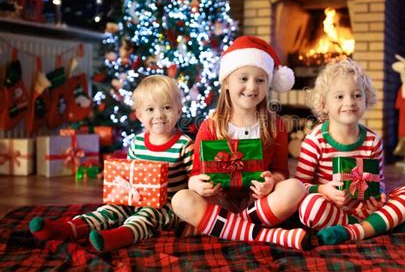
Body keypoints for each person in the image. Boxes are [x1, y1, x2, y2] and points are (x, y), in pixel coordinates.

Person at [171, 36, 311, 251]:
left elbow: (281, 171)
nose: (251, 87)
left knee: (296, 188)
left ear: (268, 84)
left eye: (260, 80)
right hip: (219, 201)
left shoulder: (276, 126)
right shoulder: (210, 126)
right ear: (226, 82)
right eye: (243, 78)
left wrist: (271, 181)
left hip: (258, 203)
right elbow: (196, 174)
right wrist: (197, 185)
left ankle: (222, 227)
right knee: (181, 199)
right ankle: (266, 234)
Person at [29, 75, 194, 252]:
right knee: (110, 209)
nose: (159, 115)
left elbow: (194, 183)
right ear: (139, 115)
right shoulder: (137, 143)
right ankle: (70, 228)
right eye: (150, 109)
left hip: (168, 207)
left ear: (179, 111)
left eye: (167, 107)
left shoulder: (184, 145)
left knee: (147, 215)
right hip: (136, 198)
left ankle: (120, 236)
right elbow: (131, 174)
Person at [296, 59, 405, 245]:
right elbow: (300, 187)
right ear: (324, 104)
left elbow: (377, 184)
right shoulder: (314, 142)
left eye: (357, 95)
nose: (350, 102)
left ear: (367, 99)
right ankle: (380, 226)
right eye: (339, 97)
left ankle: (354, 231)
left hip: (365, 209)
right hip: (331, 209)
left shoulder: (373, 142)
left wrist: (377, 199)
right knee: (309, 208)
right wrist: (323, 190)